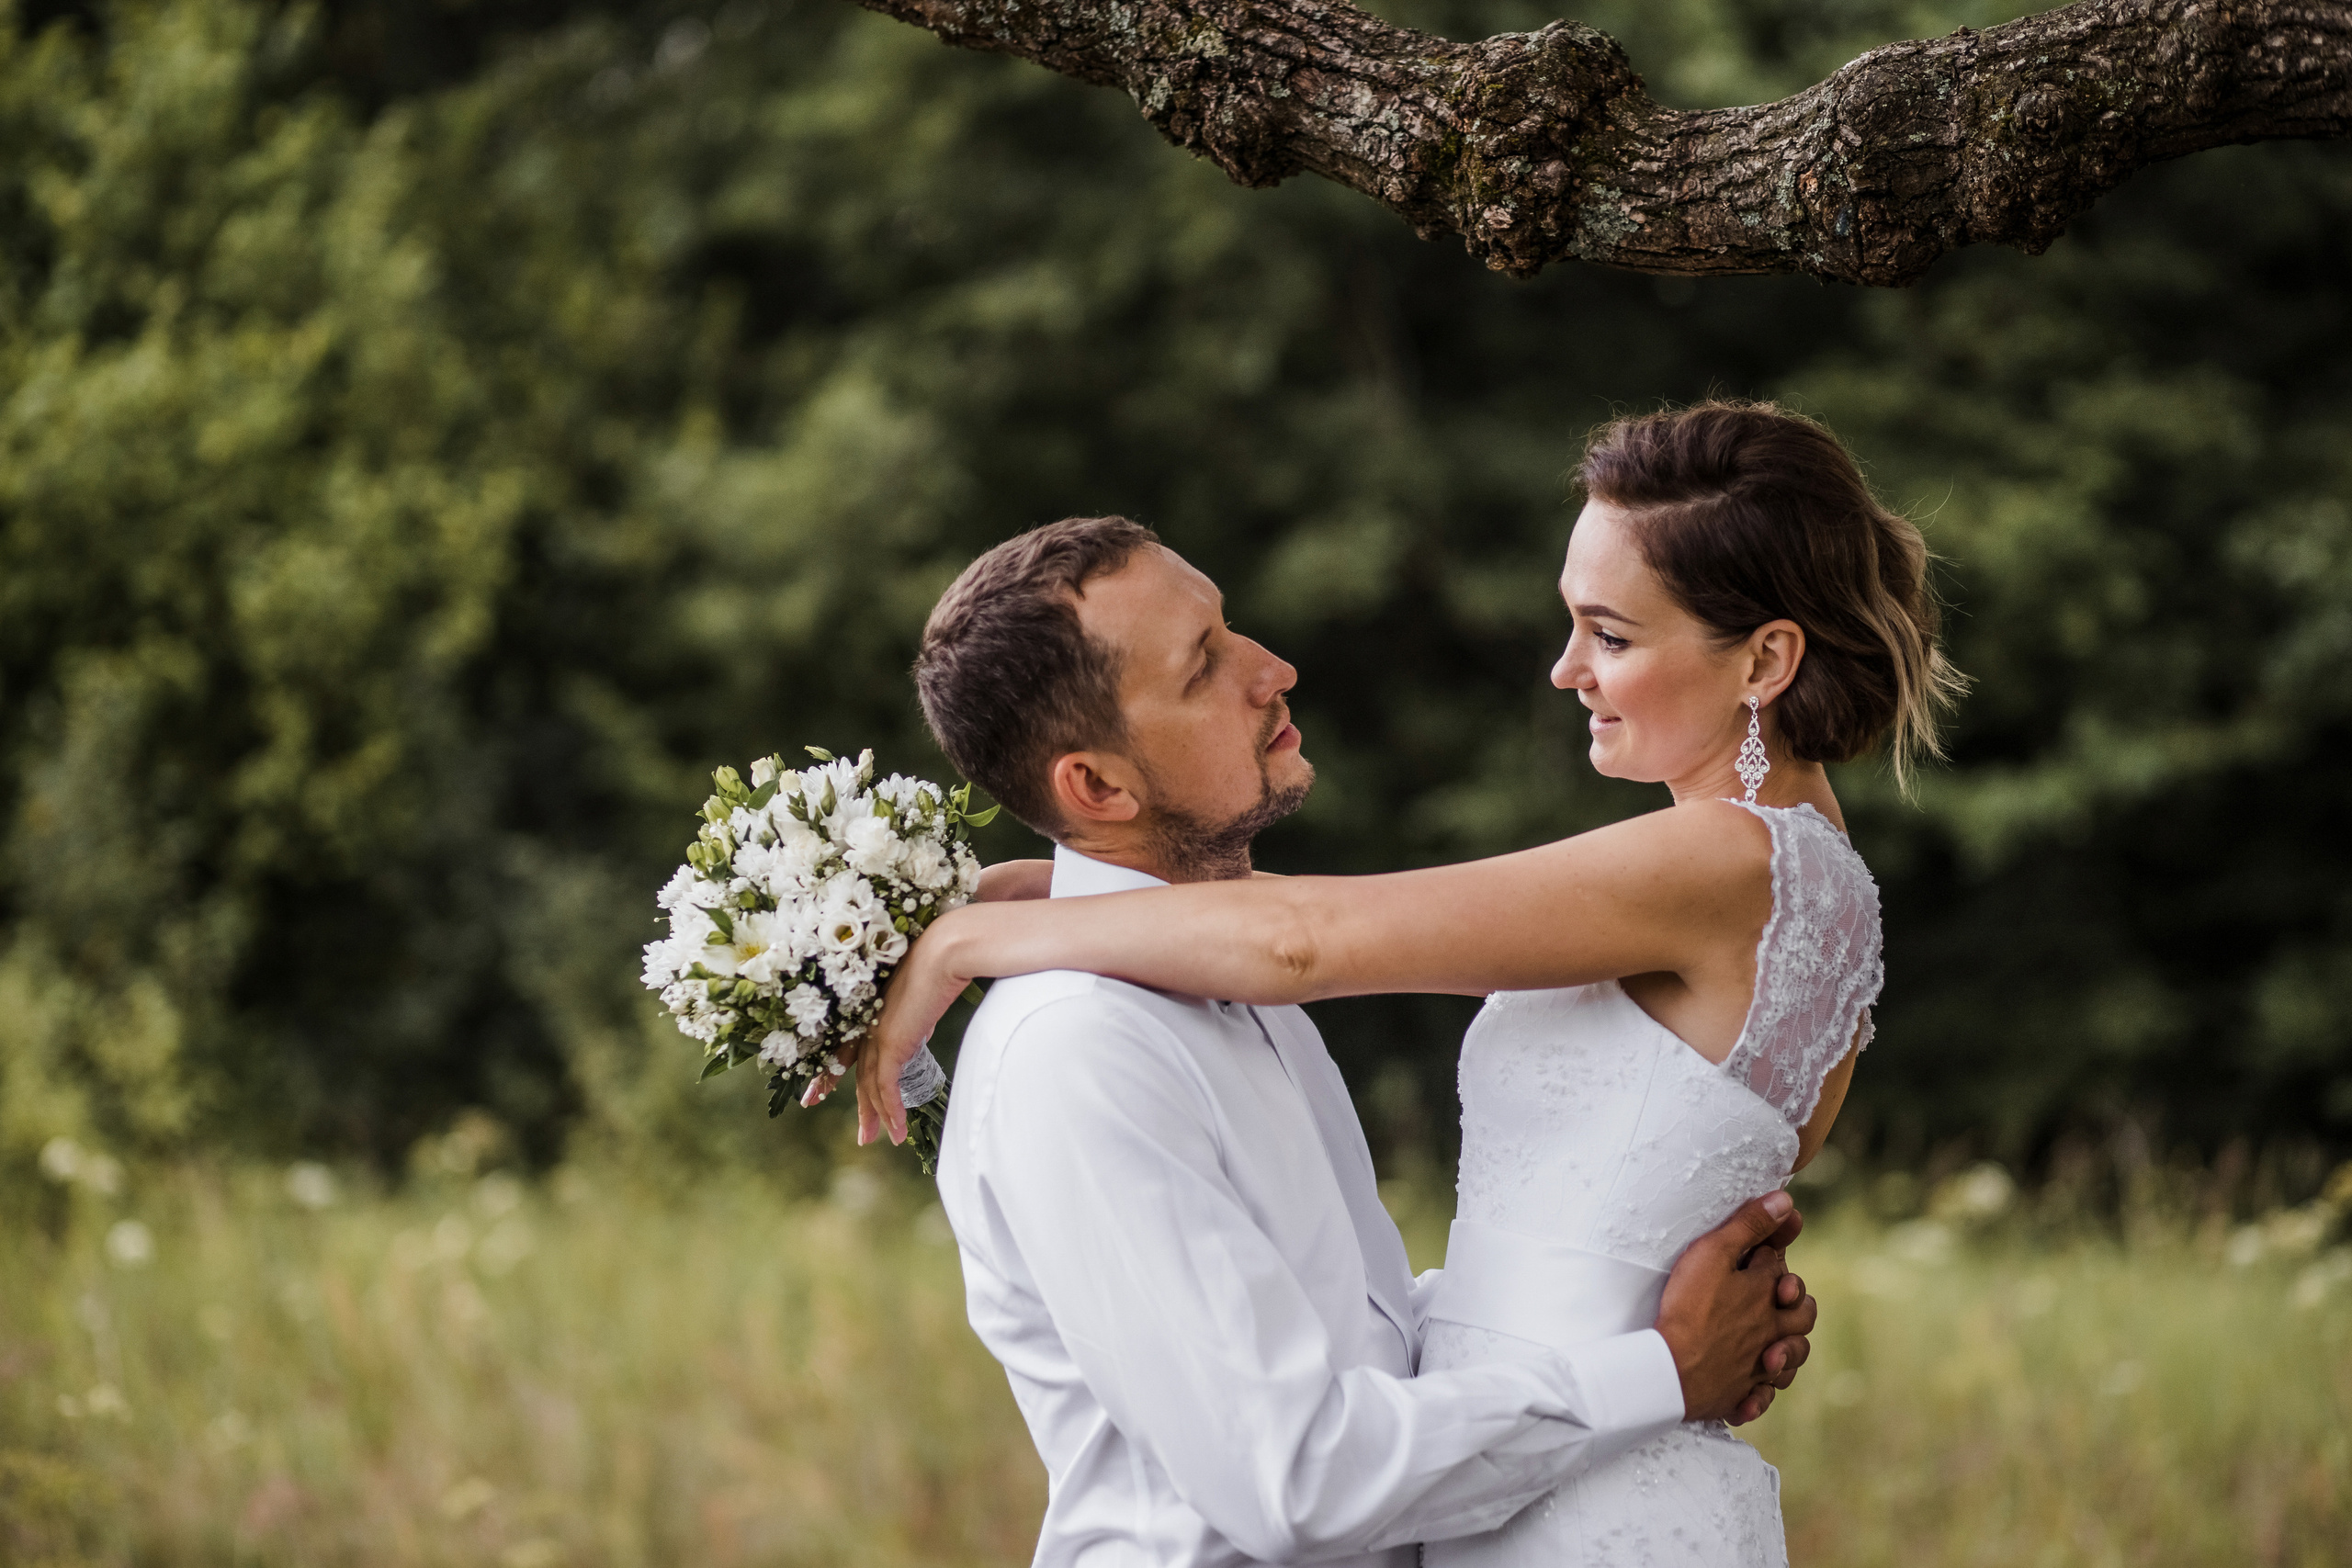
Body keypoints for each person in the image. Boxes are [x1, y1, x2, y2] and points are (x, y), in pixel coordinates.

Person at [858, 401, 1963, 1566]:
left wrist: (975, 932)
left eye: (1610, 635)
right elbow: (1316, 1442)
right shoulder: (1080, 1043)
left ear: (1765, 660)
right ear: (1094, 786)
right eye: (1203, 664)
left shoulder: (1725, 862)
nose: (1565, 669)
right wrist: (1656, 1361)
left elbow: (1306, 940)